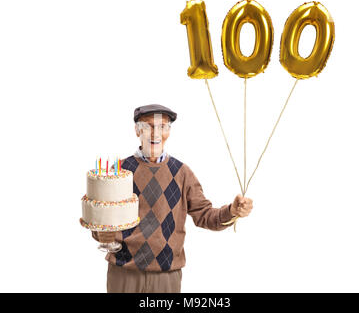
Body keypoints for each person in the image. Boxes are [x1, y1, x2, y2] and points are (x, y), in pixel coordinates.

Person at [92, 104, 253, 293]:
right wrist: (99, 233)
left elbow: (205, 216)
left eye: (163, 127)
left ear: (169, 131)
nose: (155, 133)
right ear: (137, 130)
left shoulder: (182, 173)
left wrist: (232, 212)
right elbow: (101, 221)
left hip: (167, 275)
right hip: (124, 272)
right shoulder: (119, 171)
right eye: (148, 126)